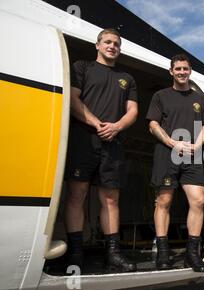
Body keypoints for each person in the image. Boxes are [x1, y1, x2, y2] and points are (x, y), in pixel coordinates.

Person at [64, 28, 138, 273]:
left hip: (113, 144)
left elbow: (133, 112)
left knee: (110, 200)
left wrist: (116, 127)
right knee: (77, 196)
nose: (112, 46)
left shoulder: (127, 77)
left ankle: (113, 255)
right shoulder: (81, 67)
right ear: (97, 45)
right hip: (83, 139)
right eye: (107, 42)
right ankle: (76, 254)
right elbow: (73, 100)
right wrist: (97, 124)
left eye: (116, 43)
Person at [147, 54, 204, 272]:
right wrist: (172, 142)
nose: (182, 72)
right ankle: (163, 254)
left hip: (192, 155)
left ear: (189, 71)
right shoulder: (160, 96)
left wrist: (197, 145)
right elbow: (153, 124)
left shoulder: (199, 99)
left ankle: (192, 254)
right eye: (178, 69)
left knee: (199, 201)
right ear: (171, 71)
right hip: (167, 153)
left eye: (185, 68)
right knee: (164, 201)